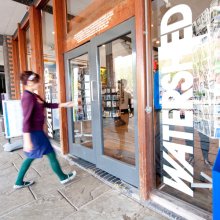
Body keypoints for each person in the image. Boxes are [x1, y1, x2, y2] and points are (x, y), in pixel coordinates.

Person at [14, 71, 76, 189]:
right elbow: (26, 120)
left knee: (32, 156)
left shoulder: (34, 96)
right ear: (29, 83)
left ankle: (18, 182)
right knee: (50, 154)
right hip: (34, 133)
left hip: (37, 132)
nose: (39, 83)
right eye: (36, 81)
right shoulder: (27, 97)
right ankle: (63, 178)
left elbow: (46, 104)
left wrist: (64, 104)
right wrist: (27, 140)